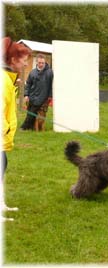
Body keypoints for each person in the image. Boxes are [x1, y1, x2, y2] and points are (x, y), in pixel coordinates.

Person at [1, 37, 31, 220]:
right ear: (13, 60)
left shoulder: (8, 79)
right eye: (24, 60)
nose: (26, 64)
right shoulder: (3, 80)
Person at [20, 53, 53, 131]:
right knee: (30, 112)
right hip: (32, 96)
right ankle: (31, 126)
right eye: (39, 63)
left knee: (32, 112)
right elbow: (28, 84)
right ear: (36, 62)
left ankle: (24, 127)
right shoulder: (33, 72)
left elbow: (52, 85)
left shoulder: (50, 72)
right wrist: (26, 95)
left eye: (42, 63)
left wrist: (50, 96)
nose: (41, 64)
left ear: (45, 62)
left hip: (43, 97)